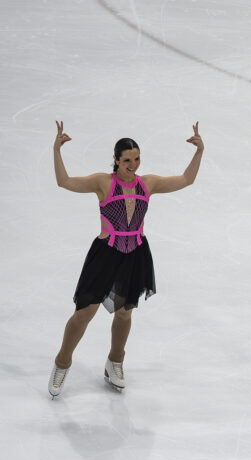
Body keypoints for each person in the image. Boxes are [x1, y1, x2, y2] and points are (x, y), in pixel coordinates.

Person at [48, 121, 204, 397]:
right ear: (117, 161)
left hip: (135, 254)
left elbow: (186, 180)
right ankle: (62, 362)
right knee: (85, 312)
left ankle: (115, 361)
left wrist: (199, 152)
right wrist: (57, 149)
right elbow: (64, 182)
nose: (133, 164)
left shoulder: (149, 183)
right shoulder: (103, 182)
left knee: (124, 312)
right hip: (106, 254)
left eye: (137, 158)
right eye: (127, 160)